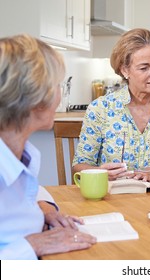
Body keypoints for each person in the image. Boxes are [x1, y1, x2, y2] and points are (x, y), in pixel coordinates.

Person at [0, 34, 96, 260]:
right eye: (56, 85)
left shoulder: (19, 153)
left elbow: (21, 195)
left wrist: (44, 209)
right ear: (36, 100)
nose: (59, 95)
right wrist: (31, 246)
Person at [72, 28, 150, 182]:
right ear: (125, 70)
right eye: (144, 68)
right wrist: (100, 172)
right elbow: (80, 165)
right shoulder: (101, 108)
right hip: (110, 200)